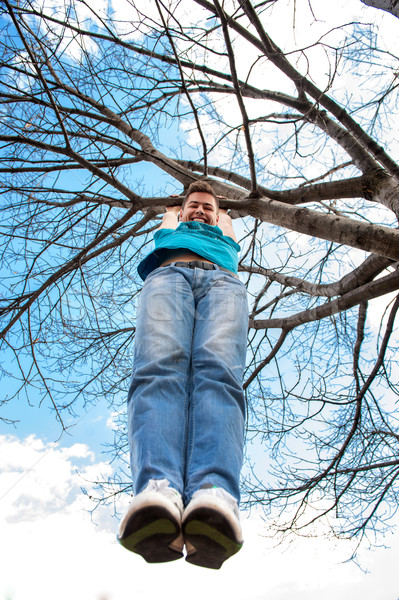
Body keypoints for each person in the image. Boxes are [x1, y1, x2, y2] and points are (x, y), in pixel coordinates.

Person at [118, 181, 249, 569]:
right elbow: (172, 217)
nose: (201, 212)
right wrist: (179, 207)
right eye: (194, 205)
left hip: (223, 282)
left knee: (220, 373)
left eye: (207, 207)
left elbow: (224, 219)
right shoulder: (173, 225)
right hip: (169, 276)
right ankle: (159, 488)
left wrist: (218, 208)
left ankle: (215, 492)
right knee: (159, 367)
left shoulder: (222, 228)